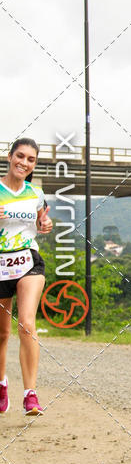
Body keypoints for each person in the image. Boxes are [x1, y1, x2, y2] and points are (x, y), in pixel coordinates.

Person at [0, 138, 53, 416]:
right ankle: (1, 384)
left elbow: (42, 221)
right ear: (10, 157)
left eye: (31, 159)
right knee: (2, 333)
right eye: (20, 156)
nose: (24, 163)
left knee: (27, 324)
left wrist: (45, 224)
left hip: (28, 261)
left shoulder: (37, 193)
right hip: (0, 265)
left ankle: (30, 394)